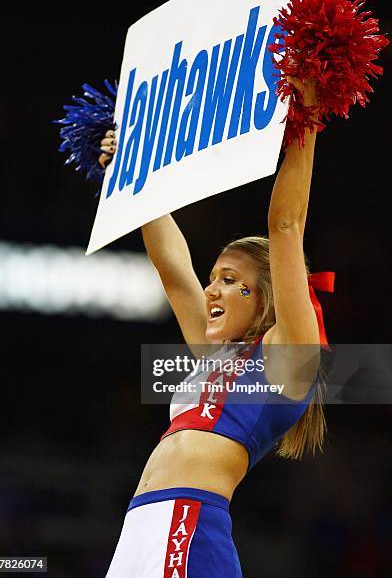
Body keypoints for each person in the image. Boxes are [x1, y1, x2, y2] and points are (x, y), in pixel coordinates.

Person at [98, 77, 332, 577]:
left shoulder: (289, 356)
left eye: (229, 281)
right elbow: (172, 269)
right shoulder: (216, 359)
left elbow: (286, 224)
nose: (211, 291)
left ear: (266, 298)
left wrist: (307, 116)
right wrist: (131, 175)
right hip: (139, 530)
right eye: (214, 279)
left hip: (189, 524)